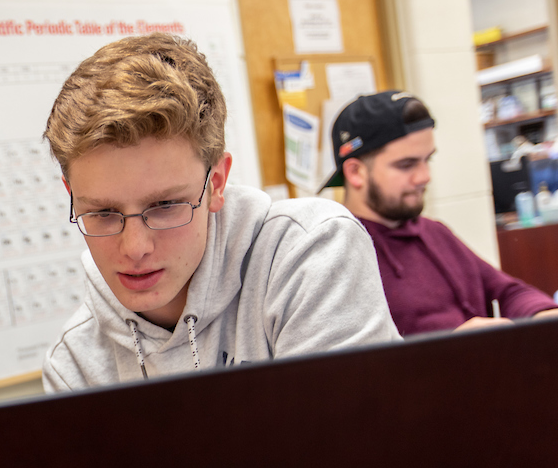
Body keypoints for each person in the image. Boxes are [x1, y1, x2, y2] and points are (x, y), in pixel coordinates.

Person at [41, 33, 400, 392]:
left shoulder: (312, 252)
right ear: (72, 196)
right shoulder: (74, 364)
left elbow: (346, 442)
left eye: (165, 206)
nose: (135, 247)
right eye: (103, 212)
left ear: (216, 183)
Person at [326, 90, 558, 334]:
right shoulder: (339, 256)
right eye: (406, 165)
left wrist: (544, 315)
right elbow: (353, 366)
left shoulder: (434, 232)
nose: (424, 177)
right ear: (355, 172)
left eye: (428, 160)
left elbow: (509, 291)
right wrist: (450, 349)